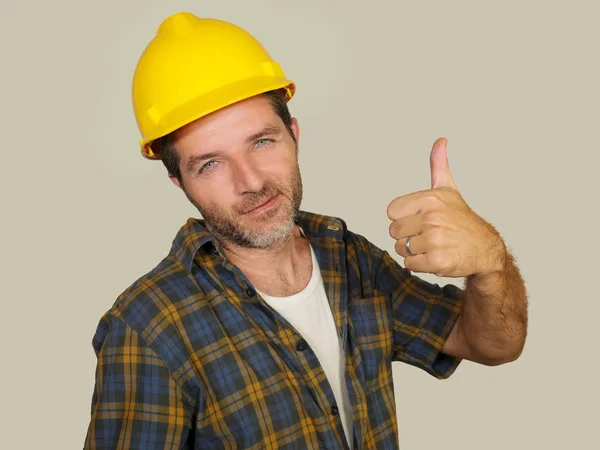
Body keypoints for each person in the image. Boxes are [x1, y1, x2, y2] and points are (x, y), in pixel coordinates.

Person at [84, 11, 528, 449]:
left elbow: (492, 343)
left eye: (262, 141)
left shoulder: (348, 257)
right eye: (211, 164)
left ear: (293, 134)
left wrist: (489, 262)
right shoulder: (146, 329)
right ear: (178, 181)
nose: (252, 181)